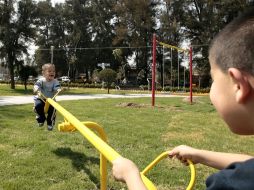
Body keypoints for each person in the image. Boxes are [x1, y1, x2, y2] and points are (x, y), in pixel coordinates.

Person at [112, 7, 254, 190]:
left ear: (238, 85)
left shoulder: (231, 184)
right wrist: (199, 154)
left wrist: (131, 175)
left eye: (213, 79)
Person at [33, 63, 61, 131]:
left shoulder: (55, 81)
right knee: (38, 106)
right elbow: (36, 85)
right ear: (43, 73)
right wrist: (36, 89)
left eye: (53, 71)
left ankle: (50, 123)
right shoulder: (41, 80)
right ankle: (41, 119)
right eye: (49, 71)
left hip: (51, 100)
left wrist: (58, 89)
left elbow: (56, 87)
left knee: (53, 110)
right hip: (41, 98)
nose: (52, 73)